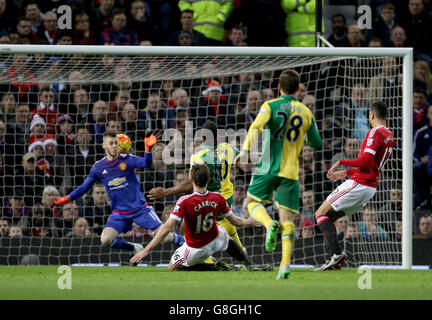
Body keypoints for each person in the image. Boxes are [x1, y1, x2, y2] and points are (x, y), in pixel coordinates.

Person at [234, 69, 322, 279]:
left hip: (266, 168)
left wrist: (245, 152)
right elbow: (316, 143)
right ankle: (285, 265)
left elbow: (256, 127)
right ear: (299, 89)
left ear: (279, 88)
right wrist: (304, 137)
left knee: (252, 203)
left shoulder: (270, 105)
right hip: (290, 172)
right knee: (287, 219)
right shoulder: (306, 112)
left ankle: (267, 224)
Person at [51, 131, 185, 261]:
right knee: (105, 239)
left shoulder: (128, 159)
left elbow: (146, 163)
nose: (115, 146)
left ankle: (187, 242)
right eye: (111, 143)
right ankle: (133, 247)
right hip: (119, 213)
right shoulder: (98, 167)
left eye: (116, 143)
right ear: (104, 146)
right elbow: (83, 188)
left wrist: (148, 148)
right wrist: (66, 198)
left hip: (140, 209)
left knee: (166, 237)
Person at [130, 164, 261, 270]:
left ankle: (213, 267)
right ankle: (249, 264)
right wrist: (250, 221)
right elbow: (236, 221)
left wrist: (146, 250)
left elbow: (167, 227)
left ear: (191, 180)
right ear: (208, 180)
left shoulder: (184, 201)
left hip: (197, 247)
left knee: (172, 267)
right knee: (225, 237)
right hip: (215, 238)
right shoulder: (218, 197)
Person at [314, 101, 395, 271]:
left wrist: (341, 162)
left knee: (320, 214)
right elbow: (371, 166)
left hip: (359, 184)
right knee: (328, 218)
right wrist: (345, 173)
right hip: (369, 187)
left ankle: (336, 255)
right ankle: (333, 260)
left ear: (371, 115)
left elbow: (365, 160)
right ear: (386, 117)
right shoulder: (389, 134)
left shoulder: (375, 132)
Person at [149, 120, 249, 256]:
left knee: (186, 225)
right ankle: (242, 251)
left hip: (210, 200)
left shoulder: (199, 156)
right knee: (227, 222)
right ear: (217, 136)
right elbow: (242, 159)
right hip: (227, 198)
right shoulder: (228, 148)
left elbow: (192, 183)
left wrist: (166, 192)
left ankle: (199, 256)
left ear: (202, 138)